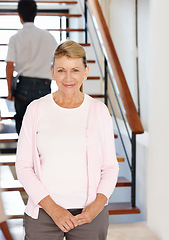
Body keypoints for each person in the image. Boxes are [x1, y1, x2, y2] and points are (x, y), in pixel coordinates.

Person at [15, 40, 119, 240]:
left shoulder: (99, 111)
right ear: (52, 72)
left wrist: (96, 207)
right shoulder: (36, 109)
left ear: (85, 72)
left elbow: (110, 167)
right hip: (44, 212)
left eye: (75, 70)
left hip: (89, 214)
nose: (68, 78)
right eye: (62, 70)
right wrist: (54, 210)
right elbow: (24, 167)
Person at [6, 0, 58, 134]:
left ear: (19, 15)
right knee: (42, 127)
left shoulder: (15, 38)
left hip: (23, 86)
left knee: (22, 124)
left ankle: (25, 153)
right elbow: (58, 62)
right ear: (36, 14)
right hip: (44, 85)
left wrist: (10, 92)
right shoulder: (49, 37)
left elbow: (10, 66)